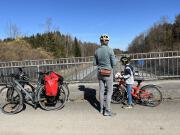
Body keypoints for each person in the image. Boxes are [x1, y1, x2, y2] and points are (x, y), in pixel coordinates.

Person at [93, 34, 116, 116]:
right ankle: (107, 110)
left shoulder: (96, 51)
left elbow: (94, 63)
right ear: (108, 41)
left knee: (101, 91)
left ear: (100, 41)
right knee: (110, 91)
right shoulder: (110, 50)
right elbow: (114, 63)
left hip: (100, 73)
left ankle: (101, 109)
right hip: (108, 73)